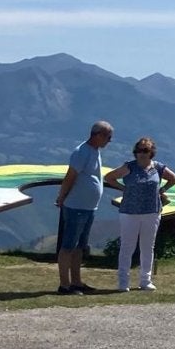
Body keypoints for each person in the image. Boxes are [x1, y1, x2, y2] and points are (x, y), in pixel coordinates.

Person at [103, 136, 175, 291]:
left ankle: (145, 280)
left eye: (145, 150)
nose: (142, 153)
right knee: (127, 247)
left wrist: (162, 190)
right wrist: (123, 188)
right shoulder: (129, 167)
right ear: (135, 152)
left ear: (151, 152)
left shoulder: (158, 167)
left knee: (147, 247)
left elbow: (174, 178)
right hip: (129, 212)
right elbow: (109, 177)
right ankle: (123, 282)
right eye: (139, 150)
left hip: (152, 212)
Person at [53, 120, 113, 295]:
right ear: (98, 135)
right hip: (76, 207)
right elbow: (70, 176)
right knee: (68, 246)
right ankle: (64, 285)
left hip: (88, 208)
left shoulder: (95, 152)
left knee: (80, 246)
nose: (109, 141)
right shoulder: (81, 152)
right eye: (108, 137)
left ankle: (77, 282)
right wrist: (62, 196)